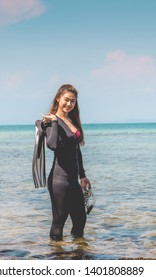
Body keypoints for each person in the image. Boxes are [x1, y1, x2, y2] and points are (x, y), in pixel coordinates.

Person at [42, 84, 91, 241]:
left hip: (73, 180)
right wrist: (55, 121)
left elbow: (76, 150)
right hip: (59, 180)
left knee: (80, 219)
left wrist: (82, 175)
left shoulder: (71, 120)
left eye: (73, 101)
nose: (69, 104)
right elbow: (52, 145)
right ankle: (57, 256)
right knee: (59, 221)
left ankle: (79, 254)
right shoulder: (50, 121)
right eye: (66, 100)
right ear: (58, 98)